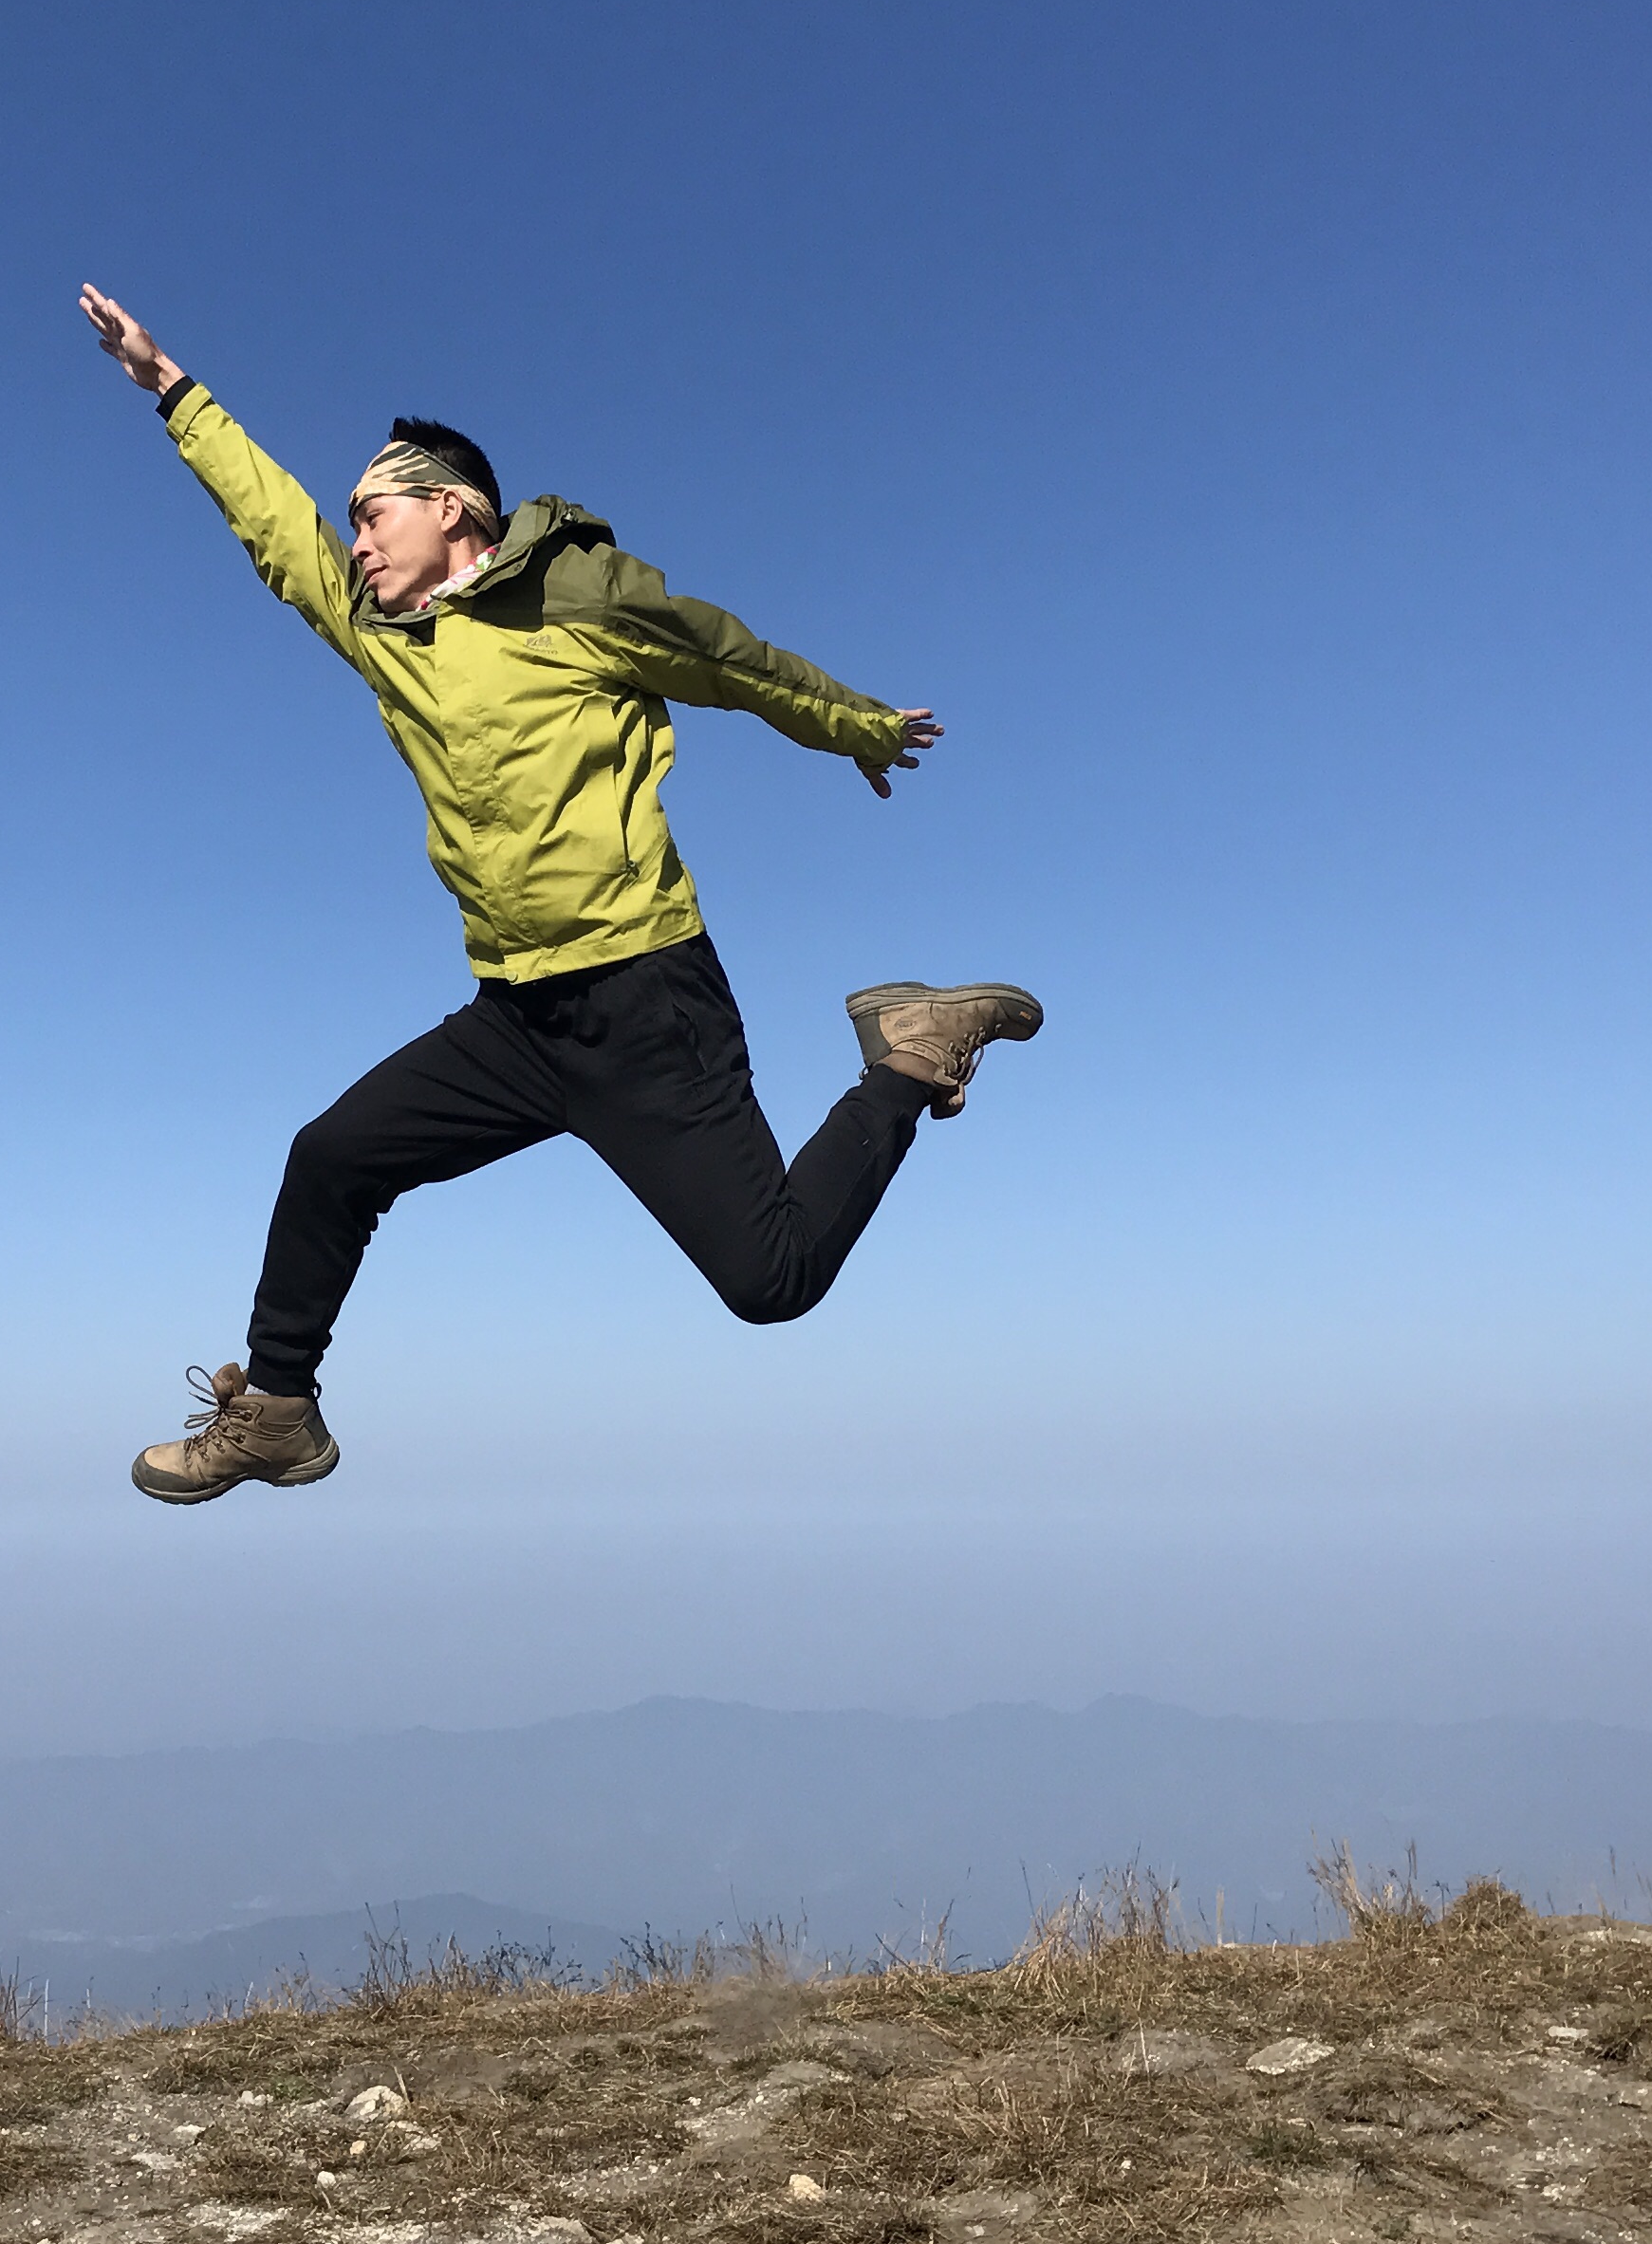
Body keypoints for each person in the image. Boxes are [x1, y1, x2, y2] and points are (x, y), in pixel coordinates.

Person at [80, 286, 1044, 1504]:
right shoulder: (388, 640)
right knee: (331, 1157)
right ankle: (277, 1412)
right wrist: (174, 391)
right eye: (353, 526)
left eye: (375, 515)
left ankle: (910, 1056)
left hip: (647, 1007)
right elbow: (277, 534)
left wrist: (850, 722)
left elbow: (725, 657)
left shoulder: (578, 604)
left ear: (453, 509)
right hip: (514, 1022)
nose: (357, 541)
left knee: (773, 1283)